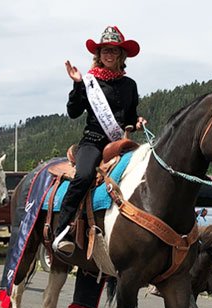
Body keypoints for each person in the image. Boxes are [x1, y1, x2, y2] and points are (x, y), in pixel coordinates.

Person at [53, 25, 147, 255]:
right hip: (94, 141)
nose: (108, 54)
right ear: (98, 54)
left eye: (113, 51)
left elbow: (131, 116)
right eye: (104, 50)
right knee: (84, 176)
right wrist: (77, 84)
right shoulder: (88, 82)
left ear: (121, 55)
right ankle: (62, 230)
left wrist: (137, 122)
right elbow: (73, 112)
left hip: (121, 143)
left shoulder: (130, 85)